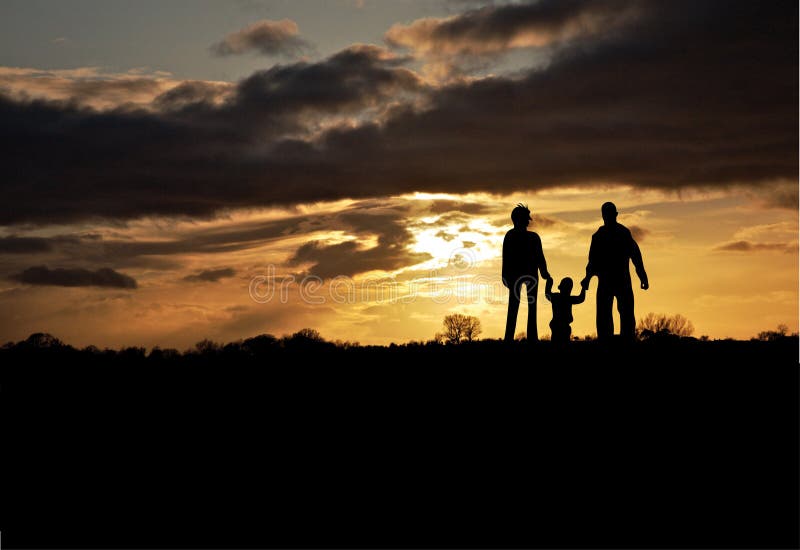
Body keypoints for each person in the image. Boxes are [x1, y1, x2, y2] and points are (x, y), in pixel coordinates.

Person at [580, 202, 649, 341]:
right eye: (606, 215)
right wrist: (587, 278)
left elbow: (635, 255)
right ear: (603, 216)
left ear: (615, 215)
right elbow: (592, 261)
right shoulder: (599, 236)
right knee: (605, 314)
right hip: (607, 281)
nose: (608, 217)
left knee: (626, 313)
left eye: (610, 214)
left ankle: (627, 340)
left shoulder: (623, 233)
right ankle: (606, 341)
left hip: (622, 280)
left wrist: (643, 276)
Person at [502, 204, 550, 342]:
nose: (528, 221)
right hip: (516, 276)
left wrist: (544, 272)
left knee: (531, 306)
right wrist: (505, 276)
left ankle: (532, 338)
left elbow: (540, 257)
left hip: (530, 275)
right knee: (514, 307)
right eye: (526, 219)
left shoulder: (533, 237)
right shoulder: (511, 236)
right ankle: (509, 338)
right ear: (519, 219)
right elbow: (507, 257)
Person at [544, 276, 586, 344]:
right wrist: (583, 288)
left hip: (561, 326)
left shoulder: (557, 297)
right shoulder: (560, 298)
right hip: (559, 327)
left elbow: (547, 293)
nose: (569, 290)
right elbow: (581, 298)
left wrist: (549, 282)